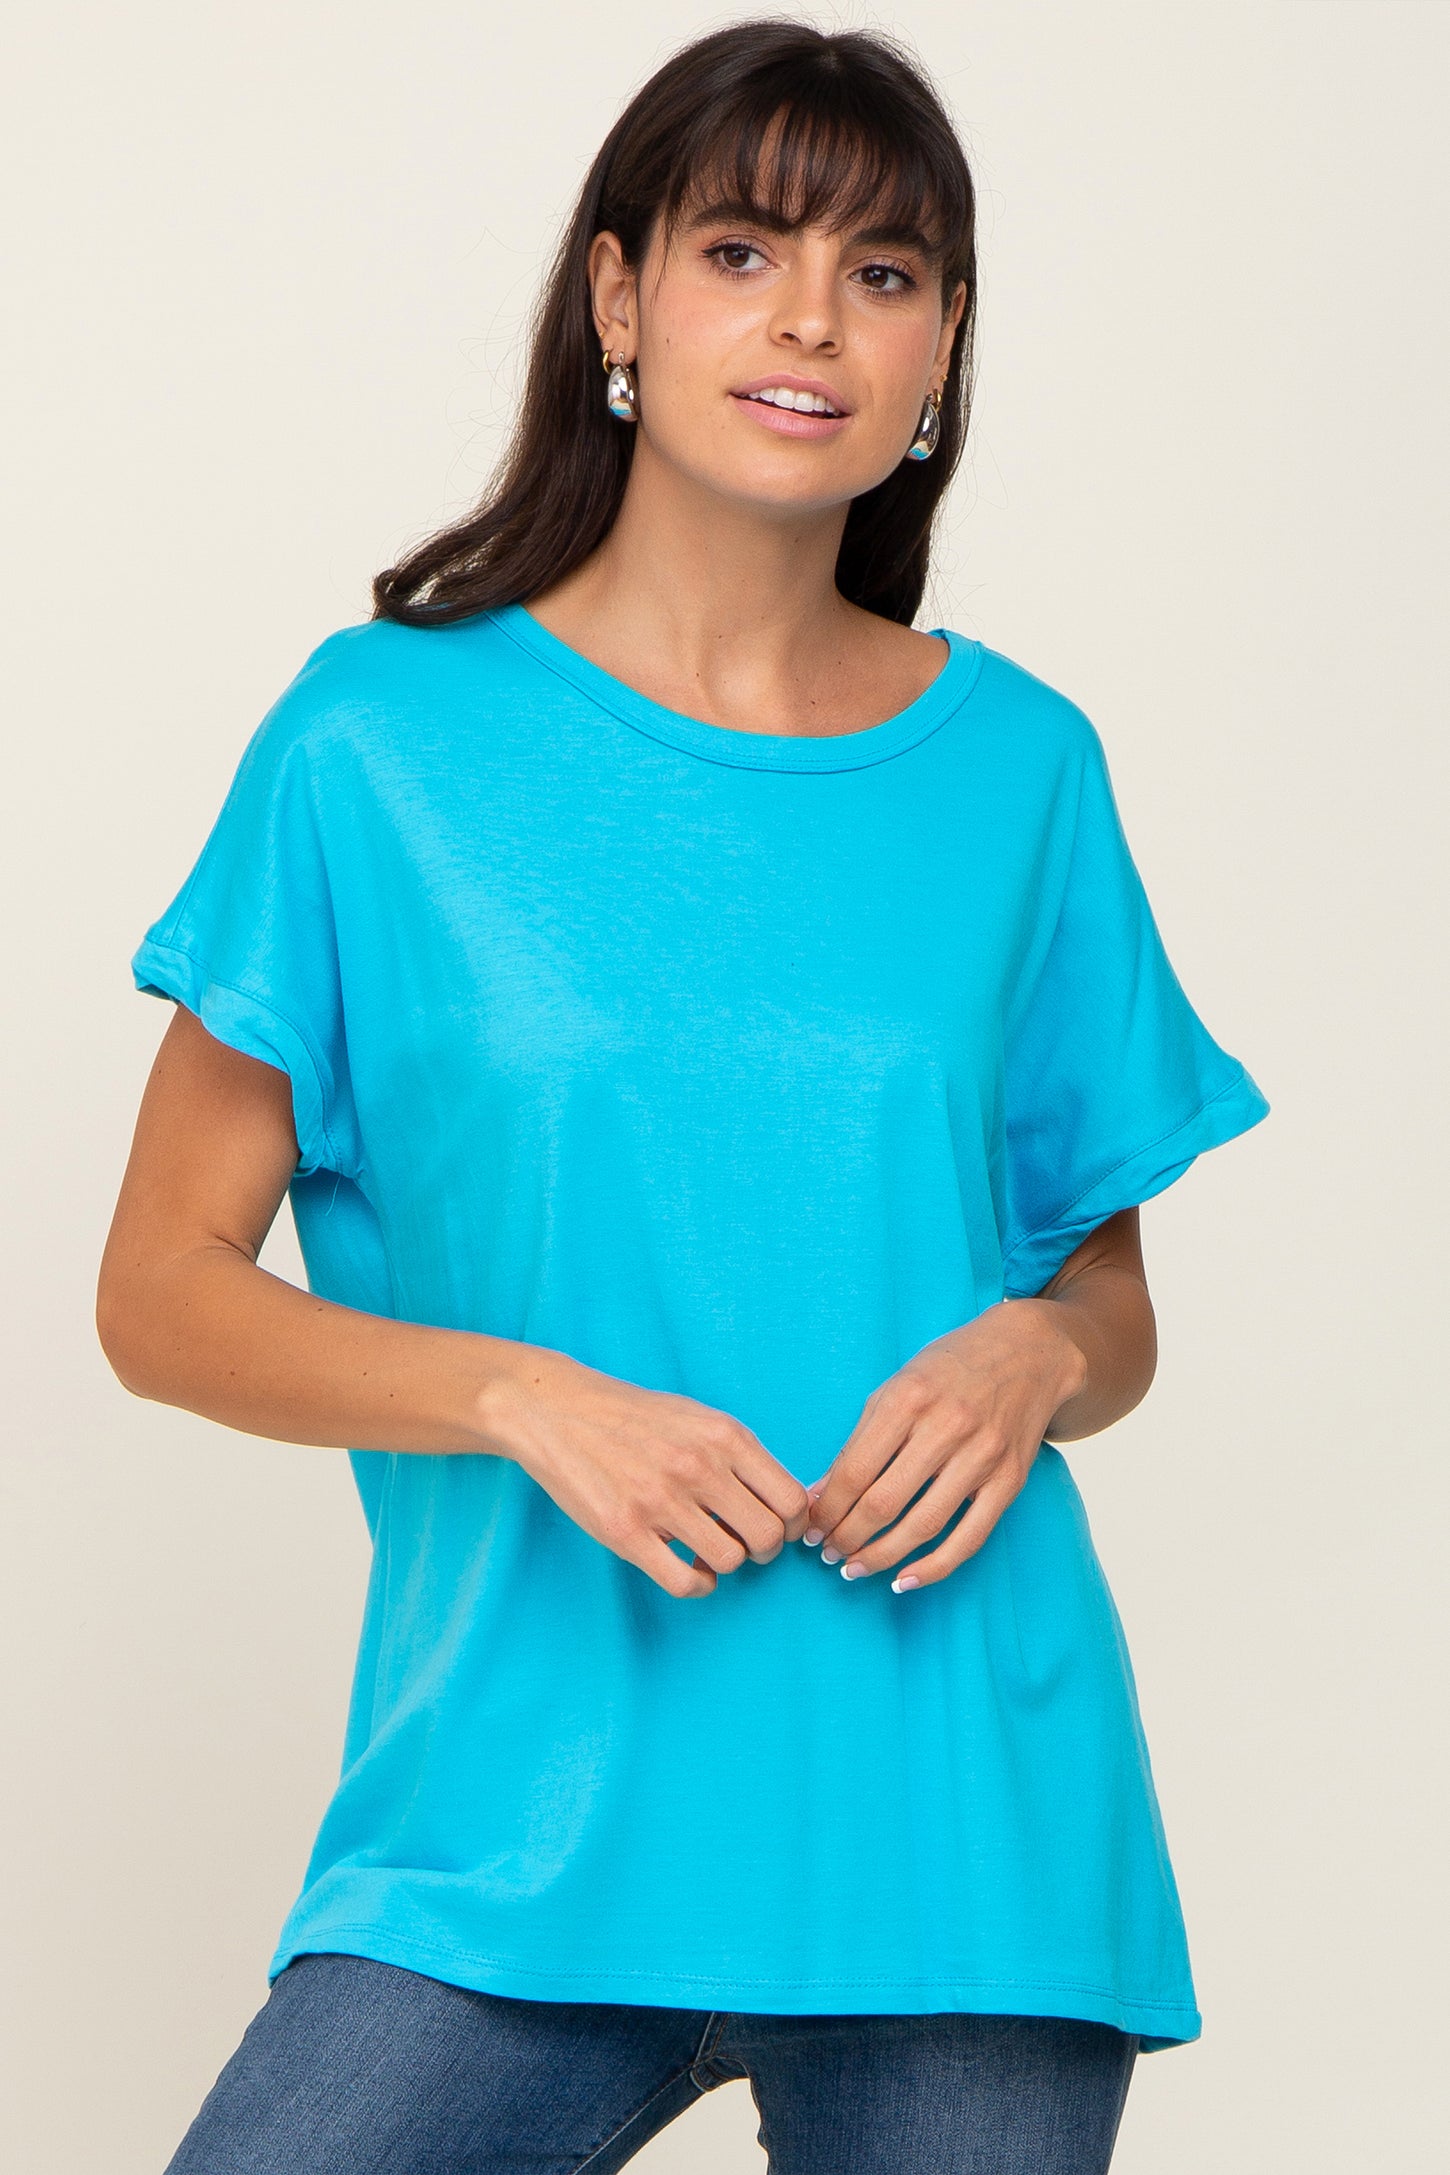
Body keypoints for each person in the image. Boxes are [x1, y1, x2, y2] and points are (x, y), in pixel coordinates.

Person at [97, 20, 1270, 2174]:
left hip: (964, 1843)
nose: (812, 317)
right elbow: (159, 1292)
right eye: (744, 250)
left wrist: (1034, 1353)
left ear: (938, 354)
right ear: (620, 299)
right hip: (510, 1821)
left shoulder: (1020, 771)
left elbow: (1105, 1309)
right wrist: (516, 1394)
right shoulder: (376, 742)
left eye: (883, 274)